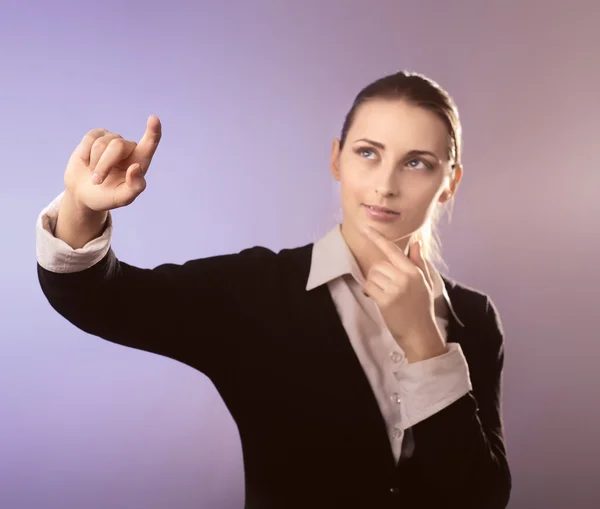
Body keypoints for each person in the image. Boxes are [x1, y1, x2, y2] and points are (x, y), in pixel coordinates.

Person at [35, 71, 511, 509]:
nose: (385, 185)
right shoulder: (254, 293)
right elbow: (98, 298)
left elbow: (480, 497)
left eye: (418, 163)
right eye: (368, 152)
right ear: (336, 159)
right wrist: (83, 205)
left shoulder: (474, 316)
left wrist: (426, 346)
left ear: (450, 182)